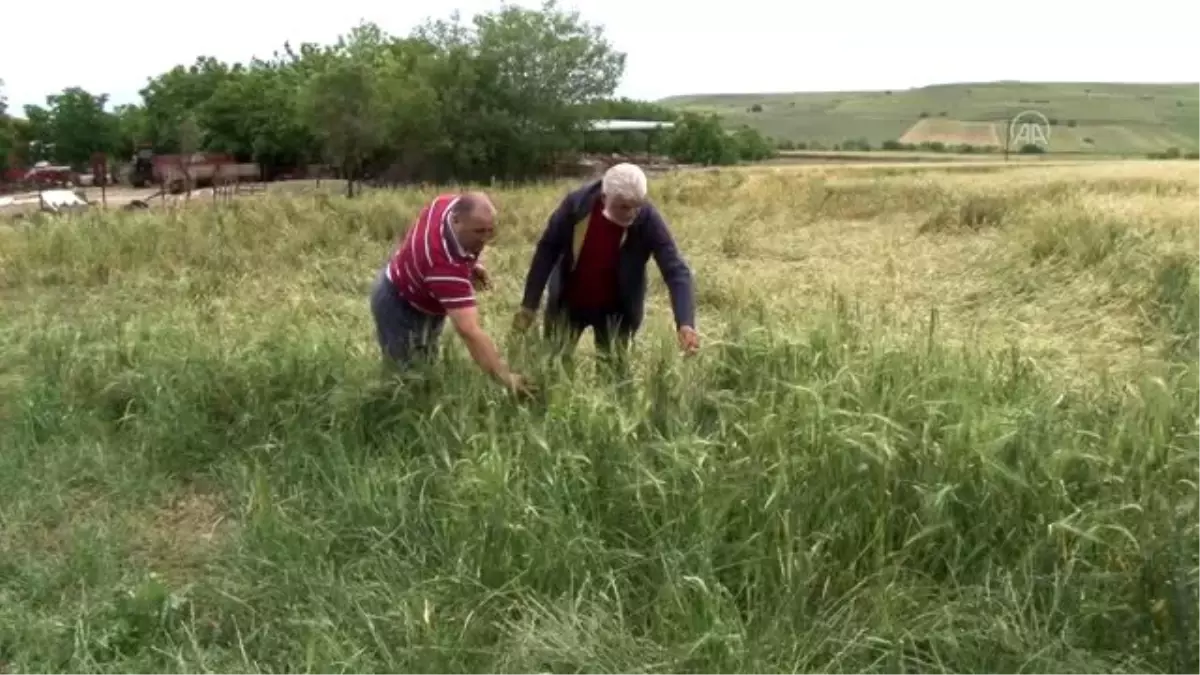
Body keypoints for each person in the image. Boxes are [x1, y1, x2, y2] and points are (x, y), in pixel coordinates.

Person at [513, 162, 699, 364]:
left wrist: (685, 323)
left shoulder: (647, 219)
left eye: (637, 205)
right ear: (604, 198)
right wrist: (529, 305)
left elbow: (675, 270)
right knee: (553, 366)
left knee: (613, 372)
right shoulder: (575, 207)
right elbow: (547, 250)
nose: (632, 213)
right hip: (568, 302)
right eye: (624, 207)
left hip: (616, 311)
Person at [370, 191, 532, 395]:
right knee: (405, 381)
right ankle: (383, 415)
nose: (485, 239)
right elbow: (469, 330)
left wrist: (471, 265)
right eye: (479, 231)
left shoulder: (445, 204)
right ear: (456, 221)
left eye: (490, 231)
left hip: (411, 284)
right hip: (399, 307)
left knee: (425, 364)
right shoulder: (443, 267)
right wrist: (504, 375)